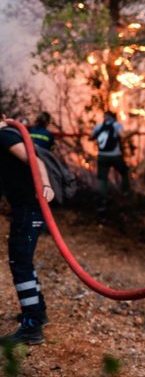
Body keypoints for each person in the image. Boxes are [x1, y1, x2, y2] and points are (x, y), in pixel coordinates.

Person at [0, 118, 55, 345]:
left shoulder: (4, 136)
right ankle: (37, 312)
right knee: (23, 260)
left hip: (29, 208)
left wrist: (46, 186)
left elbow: (35, 161)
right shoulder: (8, 135)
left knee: (20, 262)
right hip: (25, 208)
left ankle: (32, 326)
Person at [89, 111, 130, 210]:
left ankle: (103, 201)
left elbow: (90, 137)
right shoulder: (116, 125)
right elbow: (123, 135)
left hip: (102, 156)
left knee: (102, 179)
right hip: (115, 156)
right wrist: (133, 132)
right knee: (124, 172)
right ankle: (126, 193)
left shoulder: (99, 126)